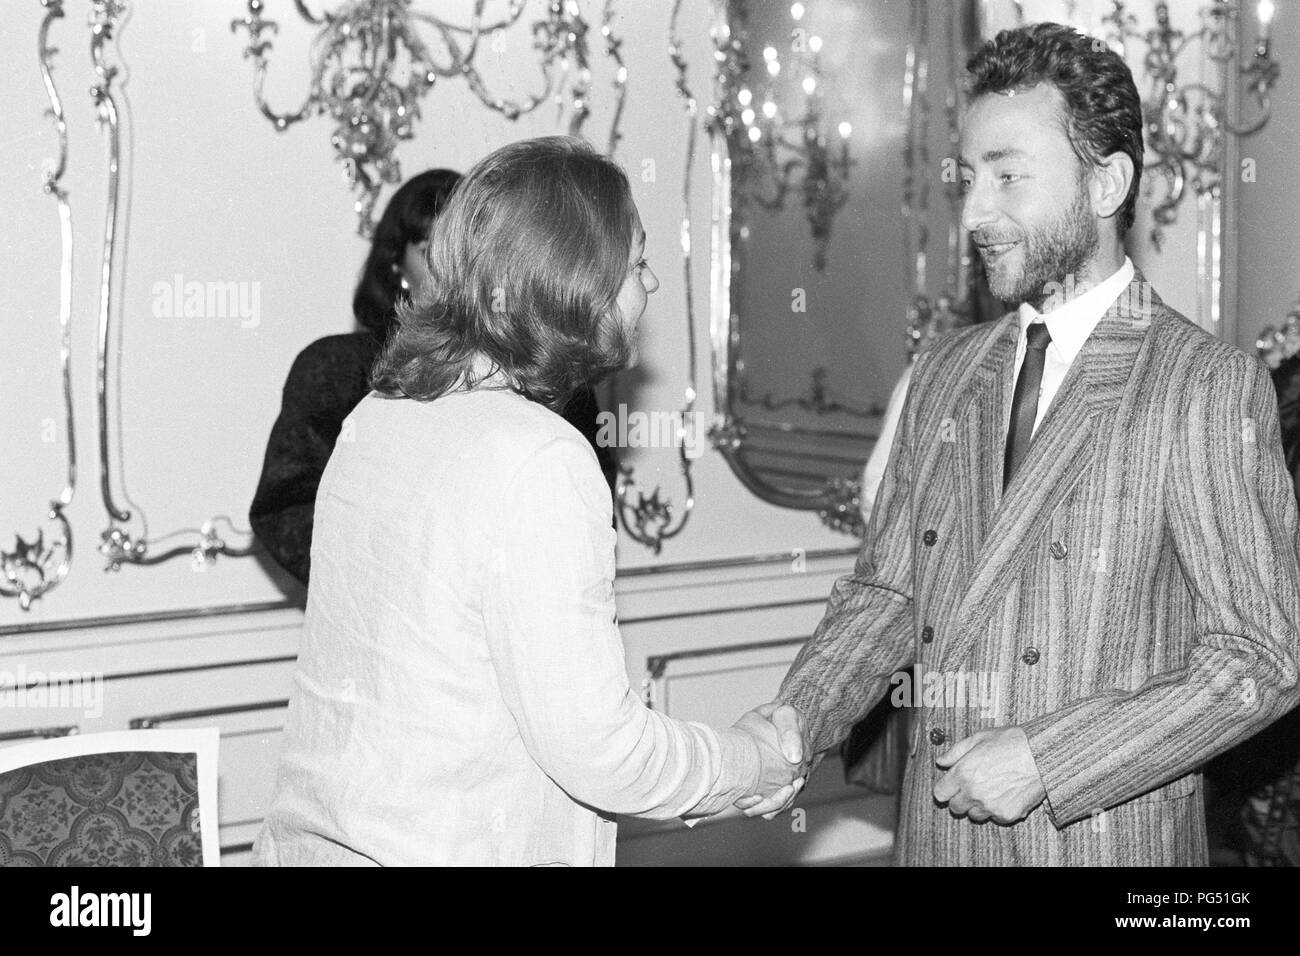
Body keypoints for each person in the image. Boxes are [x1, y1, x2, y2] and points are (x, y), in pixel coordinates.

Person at [741, 23, 1300, 866]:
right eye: (968, 178)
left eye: (1008, 176)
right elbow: (888, 593)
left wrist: (1049, 760)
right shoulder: (944, 372)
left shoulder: (1204, 384)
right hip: (936, 839)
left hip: (1105, 847)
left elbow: (1260, 658)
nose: (972, 212)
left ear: (1107, 182)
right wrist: (792, 724)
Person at [252, 136, 805, 867]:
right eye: (636, 262)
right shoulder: (540, 455)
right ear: (575, 282)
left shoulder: (377, 417)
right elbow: (599, 750)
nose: (652, 287)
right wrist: (751, 760)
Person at [249, 168, 618, 586]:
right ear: (396, 266)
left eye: (467, 253)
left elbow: (590, 503)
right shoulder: (336, 369)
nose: (451, 271)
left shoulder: (547, 372)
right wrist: (398, 583)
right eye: (431, 251)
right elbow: (285, 508)